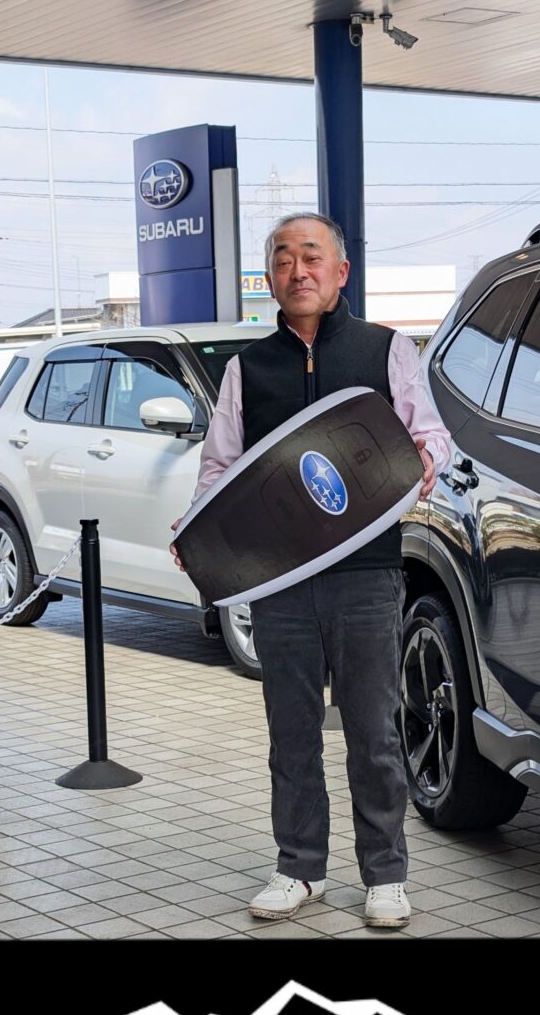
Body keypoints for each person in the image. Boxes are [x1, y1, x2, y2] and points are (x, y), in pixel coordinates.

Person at [177, 213, 452, 929]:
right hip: (279, 580)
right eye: (281, 259)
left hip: (367, 573)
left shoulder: (386, 350)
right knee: (291, 729)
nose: (296, 270)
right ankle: (300, 865)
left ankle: (385, 873)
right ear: (269, 277)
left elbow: (431, 438)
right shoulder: (247, 368)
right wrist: (198, 532)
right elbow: (219, 467)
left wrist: (419, 465)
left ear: (340, 271)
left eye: (311, 256)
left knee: (373, 729)